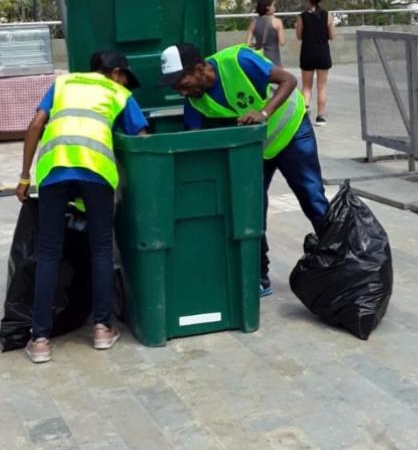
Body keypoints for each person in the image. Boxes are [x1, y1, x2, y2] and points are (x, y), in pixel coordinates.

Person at [159, 42, 328, 298]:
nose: (180, 91)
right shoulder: (195, 103)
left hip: (291, 132)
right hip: (256, 151)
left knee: (312, 197)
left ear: (199, 69)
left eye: (181, 82)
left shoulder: (238, 61)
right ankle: (259, 275)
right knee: (251, 209)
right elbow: (192, 140)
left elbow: (289, 80)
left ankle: (340, 256)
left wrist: (263, 112)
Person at [16, 51, 149, 364]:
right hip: (95, 170)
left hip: (54, 169)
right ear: (116, 73)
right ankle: (103, 329)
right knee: (101, 248)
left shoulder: (62, 83)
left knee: (49, 251)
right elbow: (142, 137)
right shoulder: (118, 92)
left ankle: (40, 340)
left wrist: (24, 177)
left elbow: (36, 125)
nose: (126, 82)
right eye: (126, 76)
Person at [296, 0, 334, 126]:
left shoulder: (302, 16)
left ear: (308, 0)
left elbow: (299, 36)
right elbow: (332, 36)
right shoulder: (328, 16)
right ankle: (320, 117)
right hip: (323, 53)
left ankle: (304, 113)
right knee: (322, 86)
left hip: (307, 53)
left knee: (306, 86)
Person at [246, 0, 286, 67]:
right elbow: (282, 42)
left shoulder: (254, 22)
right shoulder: (277, 22)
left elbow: (247, 43)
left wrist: (256, 43)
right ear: (268, 7)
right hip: (273, 59)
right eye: (273, 5)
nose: (274, 7)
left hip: (259, 59)